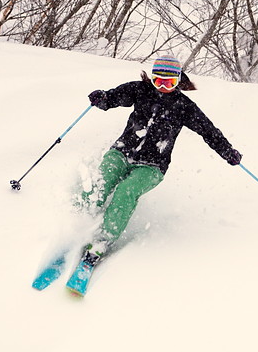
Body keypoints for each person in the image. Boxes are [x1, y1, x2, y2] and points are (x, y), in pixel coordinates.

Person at [78, 55, 241, 267]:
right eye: (159, 81)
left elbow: (208, 131)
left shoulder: (184, 106)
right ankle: (78, 222)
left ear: (178, 81)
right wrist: (102, 98)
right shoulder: (139, 90)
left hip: (152, 166)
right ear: (152, 78)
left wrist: (227, 151)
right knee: (102, 180)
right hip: (121, 152)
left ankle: (102, 241)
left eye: (169, 82)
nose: (163, 86)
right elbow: (114, 98)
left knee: (126, 191)